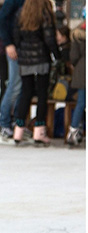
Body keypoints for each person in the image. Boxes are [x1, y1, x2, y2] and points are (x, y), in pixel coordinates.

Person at [11, 0, 59, 146]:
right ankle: (39, 130)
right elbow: (50, 39)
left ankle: (18, 130)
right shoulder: (44, 15)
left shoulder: (21, 14)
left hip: (25, 60)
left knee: (26, 92)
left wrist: (22, 52)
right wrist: (57, 55)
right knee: (42, 94)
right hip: (41, 58)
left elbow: (16, 37)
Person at [0, 0, 26, 144]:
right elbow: (1, 20)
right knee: (15, 85)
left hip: (26, 47)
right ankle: (4, 123)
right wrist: (8, 44)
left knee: (22, 87)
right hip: (15, 47)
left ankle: (15, 121)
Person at [67, 18, 85, 146]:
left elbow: (73, 57)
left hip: (82, 72)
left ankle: (73, 130)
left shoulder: (77, 34)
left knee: (81, 103)